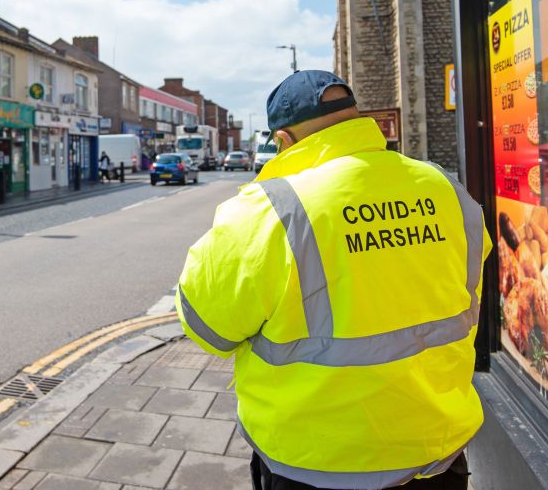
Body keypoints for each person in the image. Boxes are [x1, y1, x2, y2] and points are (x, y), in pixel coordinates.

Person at [176, 70, 491, 490]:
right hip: (434, 454)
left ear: (284, 141)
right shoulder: (444, 187)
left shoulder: (270, 209)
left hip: (316, 464)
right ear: (357, 121)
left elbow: (207, 326)